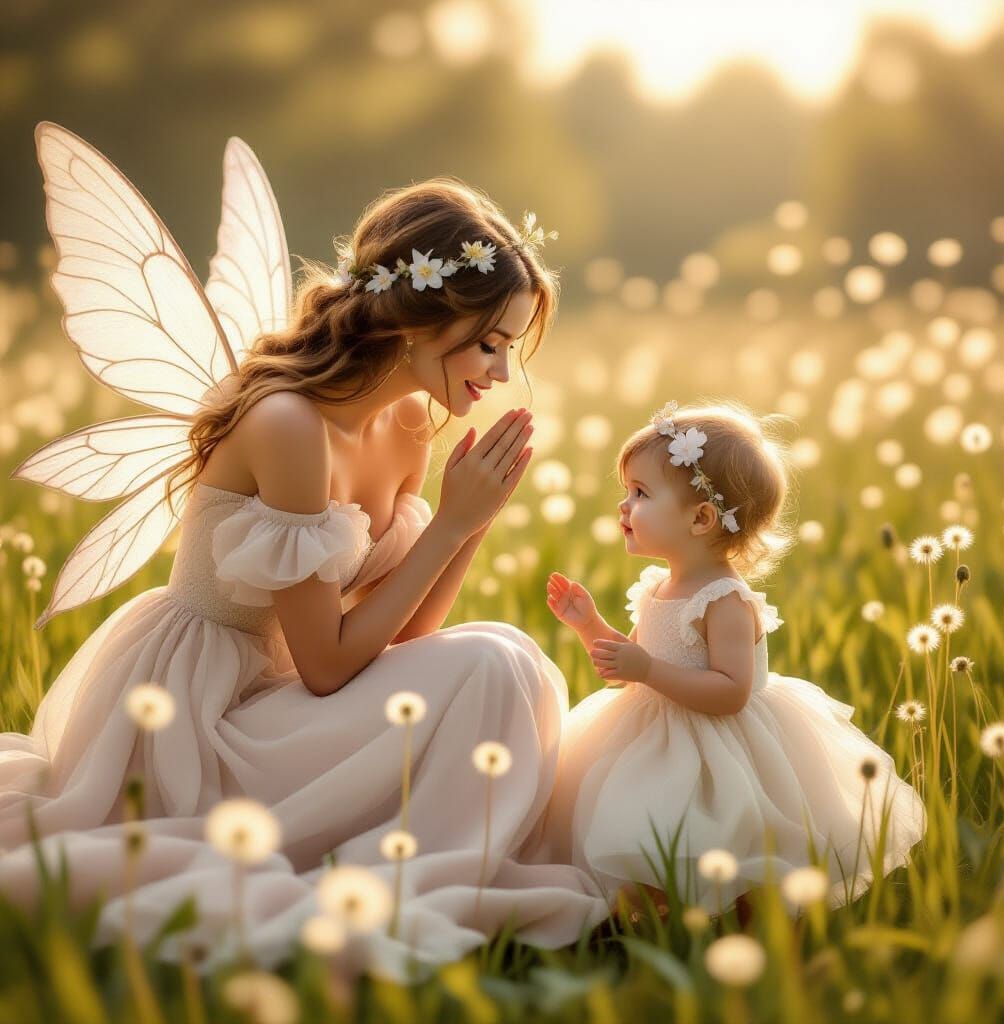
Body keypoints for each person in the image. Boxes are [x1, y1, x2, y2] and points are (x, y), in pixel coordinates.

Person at [0, 122, 606, 979]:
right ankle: (423, 874)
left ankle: (432, 865)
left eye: (507, 349)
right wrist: (446, 527)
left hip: (289, 697)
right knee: (497, 663)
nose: (499, 373)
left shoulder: (404, 425)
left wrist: (468, 525)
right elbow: (327, 666)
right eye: (490, 343)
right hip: (199, 718)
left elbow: (398, 642)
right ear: (416, 318)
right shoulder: (290, 426)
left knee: (504, 657)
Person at [527, 400, 926, 913]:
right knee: (645, 834)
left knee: (732, 846)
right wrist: (589, 625)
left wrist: (647, 669)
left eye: (641, 493)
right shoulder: (657, 587)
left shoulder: (725, 601)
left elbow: (731, 692)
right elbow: (628, 669)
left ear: (701, 517)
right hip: (650, 736)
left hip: (719, 748)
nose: (623, 506)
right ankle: (643, 921)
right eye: (625, 491)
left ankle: (750, 927)